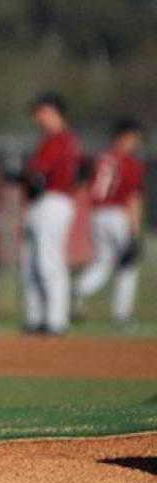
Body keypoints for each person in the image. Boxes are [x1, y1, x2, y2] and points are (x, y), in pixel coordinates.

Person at [18, 92, 82, 335]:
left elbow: (39, 177)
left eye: (42, 112)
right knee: (31, 264)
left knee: (49, 263)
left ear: (55, 112)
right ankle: (37, 319)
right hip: (43, 203)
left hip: (53, 202)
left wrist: (20, 176)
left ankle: (56, 321)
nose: (38, 117)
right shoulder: (55, 140)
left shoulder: (61, 140)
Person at [74, 118, 146, 327]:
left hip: (96, 215)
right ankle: (122, 315)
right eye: (134, 139)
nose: (136, 144)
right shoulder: (130, 163)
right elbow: (133, 197)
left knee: (103, 263)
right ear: (124, 137)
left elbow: (84, 183)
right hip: (118, 215)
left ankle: (77, 290)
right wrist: (134, 230)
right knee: (128, 266)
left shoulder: (98, 158)